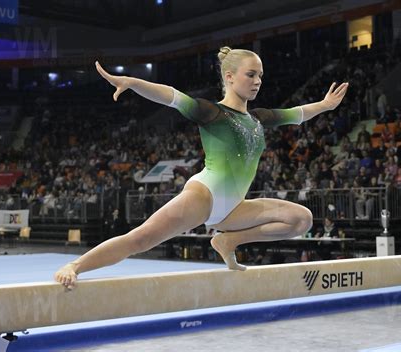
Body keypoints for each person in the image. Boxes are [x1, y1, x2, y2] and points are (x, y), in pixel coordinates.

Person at [54, 47, 348, 289]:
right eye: (251, 74)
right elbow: (170, 95)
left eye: (260, 75)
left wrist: (324, 105)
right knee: (141, 239)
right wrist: (131, 82)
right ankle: (75, 265)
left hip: (234, 208)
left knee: (300, 219)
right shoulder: (212, 112)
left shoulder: (259, 117)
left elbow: (298, 114)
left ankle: (228, 241)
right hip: (204, 196)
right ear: (230, 77)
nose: (257, 80)